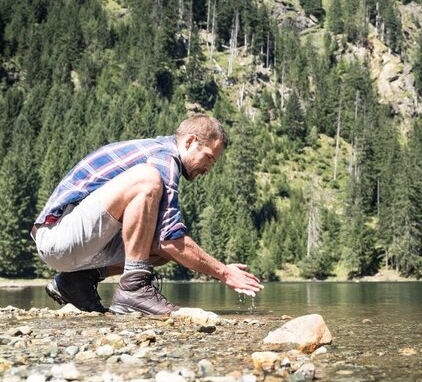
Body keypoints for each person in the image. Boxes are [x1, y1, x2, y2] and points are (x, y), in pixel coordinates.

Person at [32, 114, 262, 315]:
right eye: (209, 158)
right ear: (190, 141)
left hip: (76, 242)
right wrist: (224, 272)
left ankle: (76, 281)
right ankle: (134, 289)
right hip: (57, 236)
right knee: (147, 179)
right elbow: (170, 238)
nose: (208, 168)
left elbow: (165, 243)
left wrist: (219, 269)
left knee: (159, 251)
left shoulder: (161, 154)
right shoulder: (163, 157)